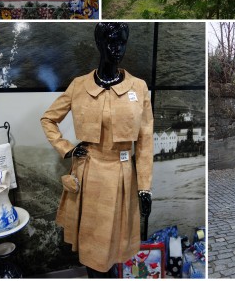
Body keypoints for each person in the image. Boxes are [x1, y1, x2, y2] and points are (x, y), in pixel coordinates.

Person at [40, 23, 154, 278]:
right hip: (89, 175)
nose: (117, 49)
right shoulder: (79, 85)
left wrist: (144, 187)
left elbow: (145, 140)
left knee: (115, 246)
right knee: (94, 250)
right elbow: (48, 119)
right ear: (99, 44)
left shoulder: (139, 88)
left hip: (122, 175)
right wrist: (67, 149)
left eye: (122, 42)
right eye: (111, 42)